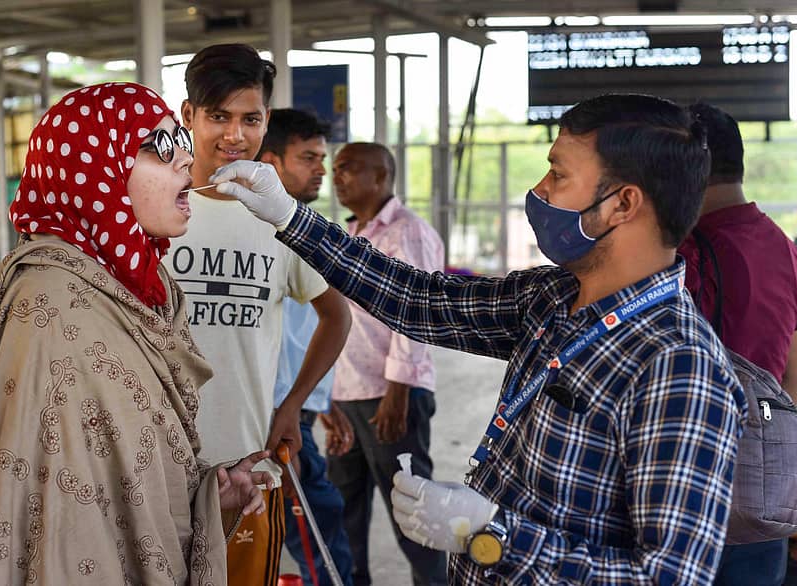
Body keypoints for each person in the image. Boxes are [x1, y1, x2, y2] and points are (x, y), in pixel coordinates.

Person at [211, 93, 748, 585]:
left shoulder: (678, 366)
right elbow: (419, 299)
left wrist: (490, 535)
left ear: (622, 205)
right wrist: (290, 217)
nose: (538, 193)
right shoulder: (554, 298)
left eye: (558, 176)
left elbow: (670, 576)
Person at [0, 82, 270, 584]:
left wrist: (208, 500)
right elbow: (58, 527)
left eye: (180, 142)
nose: (185, 161)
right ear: (96, 171)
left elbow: (127, 482)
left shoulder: (136, 290)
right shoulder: (48, 308)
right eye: (159, 147)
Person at [164, 44, 351, 586]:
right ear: (188, 116)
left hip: (247, 467)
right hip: (157, 465)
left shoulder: (280, 219)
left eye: (250, 119)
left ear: (266, 120)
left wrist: (293, 404)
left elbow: (335, 316)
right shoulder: (155, 210)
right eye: (218, 117)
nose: (234, 135)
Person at [678, 102, 797, 586]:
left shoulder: (681, 254)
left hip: (688, 495)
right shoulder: (785, 249)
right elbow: (794, 380)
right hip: (765, 497)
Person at [322, 142, 447, 585]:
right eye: (335, 169)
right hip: (348, 395)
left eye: (349, 169)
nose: (337, 177)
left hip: (389, 398)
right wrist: (326, 396)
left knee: (412, 514)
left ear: (382, 177)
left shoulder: (405, 232)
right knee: (343, 512)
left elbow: (417, 316)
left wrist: (398, 391)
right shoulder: (351, 234)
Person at [259, 108, 355, 586]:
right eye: (308, 158)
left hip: (291, 412)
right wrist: (290, 407)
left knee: (315, 535)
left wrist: (318, 401)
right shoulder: (257, 231)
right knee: (316, 545)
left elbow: (301, 331)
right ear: (271, 162)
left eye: (322, 157)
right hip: (274, 420)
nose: (321, 168)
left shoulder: (303, 231)